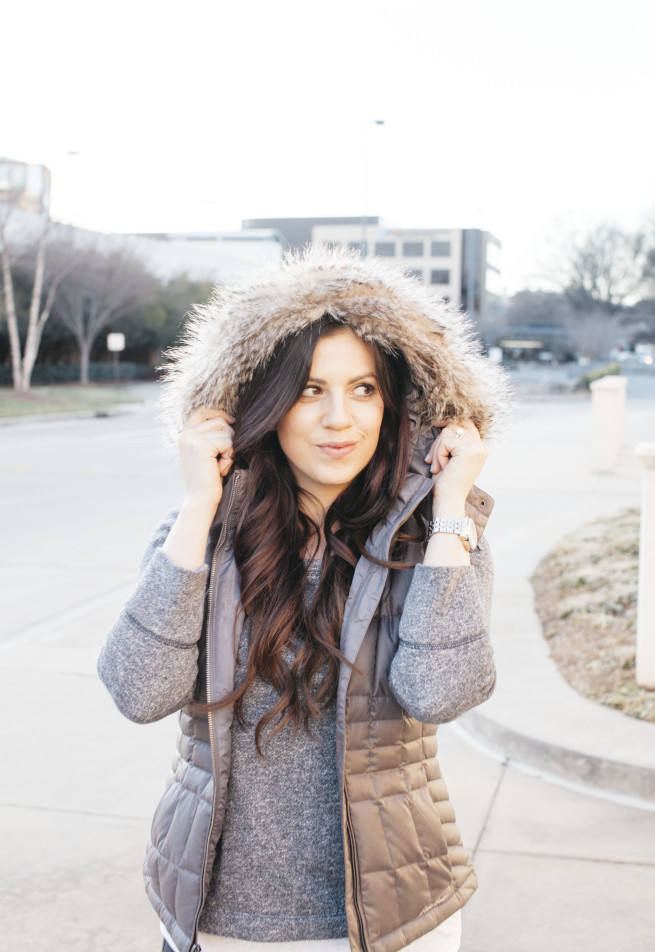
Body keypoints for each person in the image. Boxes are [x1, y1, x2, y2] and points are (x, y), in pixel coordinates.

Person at [98, 244, 508, 952]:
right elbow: (139, 691)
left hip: (396, 914)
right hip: (229, 917)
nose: (337, 419)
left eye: (364, 389)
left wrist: (450, 509)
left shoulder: (436, 535)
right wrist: (200, 502)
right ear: (260, 401)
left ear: (399, 404)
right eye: (309, 389)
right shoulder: (203, 531)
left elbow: (436, 692)